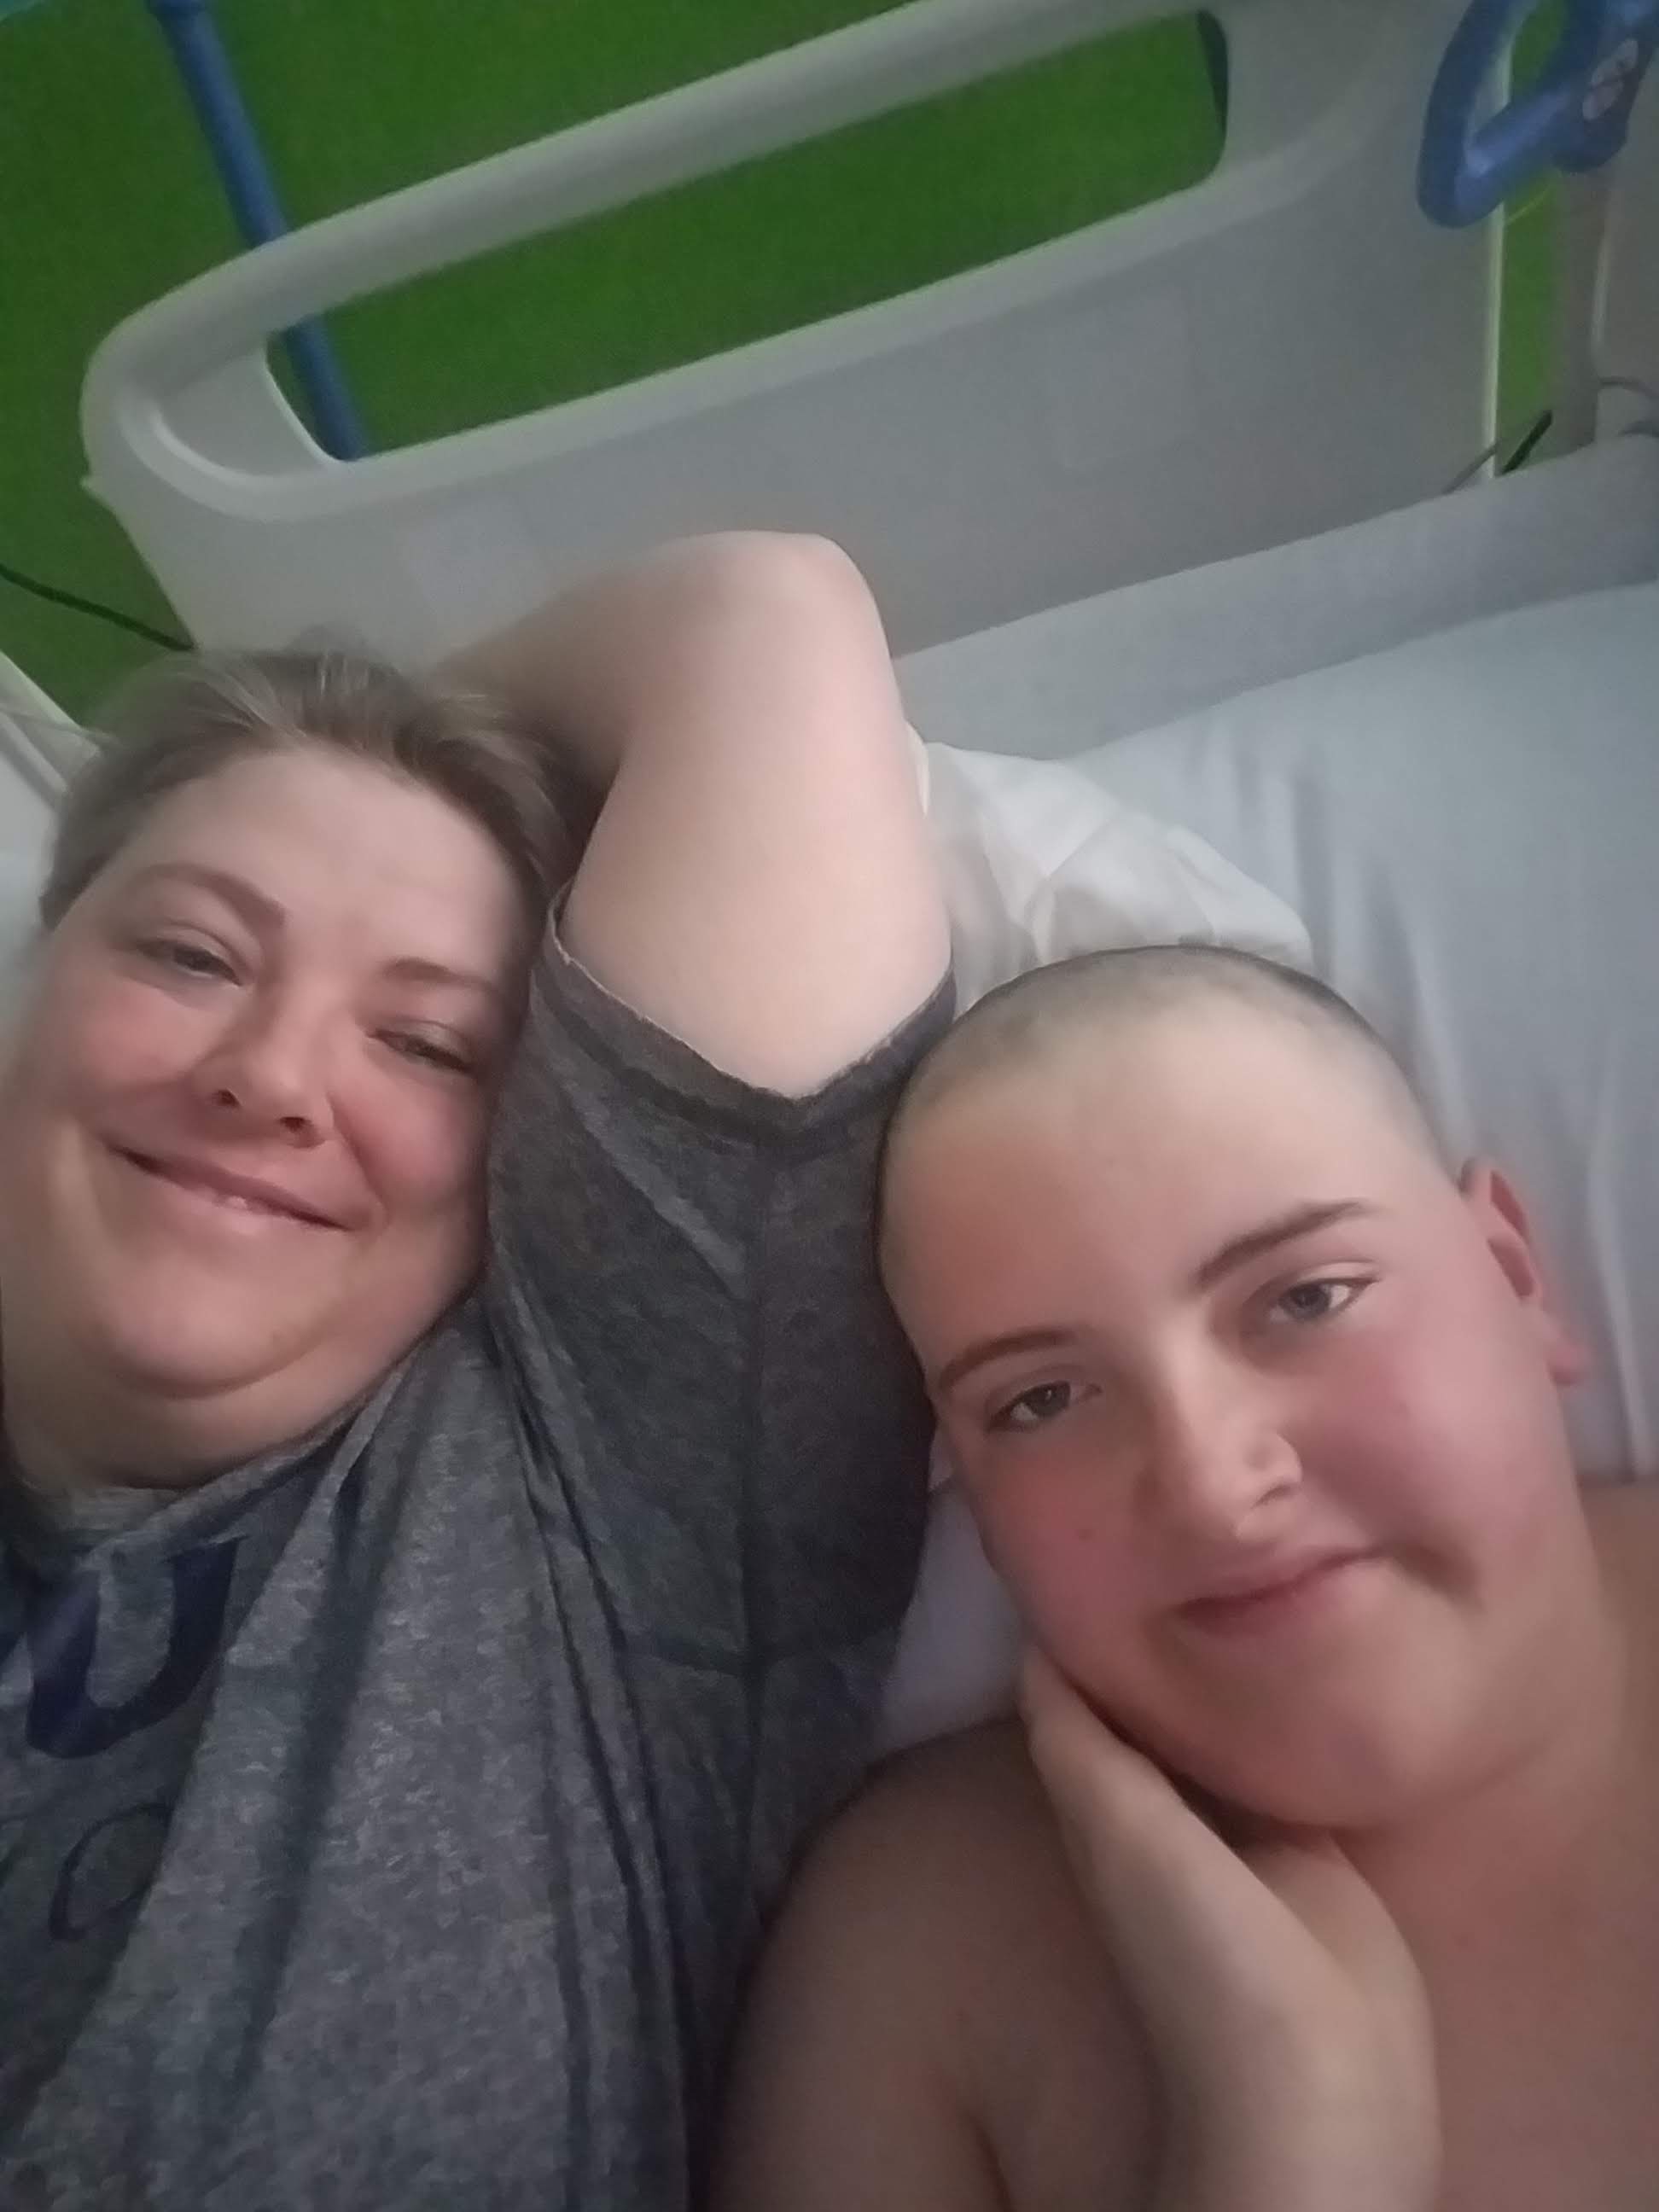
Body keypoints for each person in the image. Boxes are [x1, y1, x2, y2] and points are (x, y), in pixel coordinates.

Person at [0, 532, 952, 2210]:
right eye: (192, 954)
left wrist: (400, 724)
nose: (270, 1077)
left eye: (427, 1040)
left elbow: (759, 622)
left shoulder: (606, 1497)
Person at [716, 944, 1659, 2212]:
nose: (1213, 1486)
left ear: (1515, 1276)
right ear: (978, 1510)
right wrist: (1292, 2152)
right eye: (1043, 1399)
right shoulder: (912, 1961)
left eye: (1309, 1298)